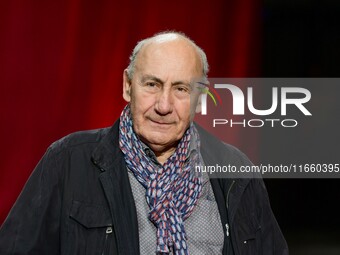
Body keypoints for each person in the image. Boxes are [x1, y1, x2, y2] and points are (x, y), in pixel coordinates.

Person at [0, 31, 288, 255]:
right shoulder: (69, 160)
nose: (164, 105)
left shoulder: (236, 171)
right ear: (128, 85)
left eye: (181, 89)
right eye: (152, 84)